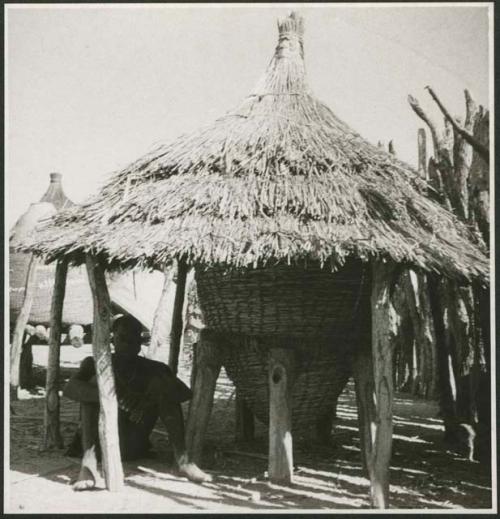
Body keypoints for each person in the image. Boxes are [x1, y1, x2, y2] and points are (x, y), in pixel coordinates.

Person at [64, 314, 211, 491]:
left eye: (133, 339)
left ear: (140, 343)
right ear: (113, 340)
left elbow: (183, 393)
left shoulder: (153, 368)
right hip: (100, 447)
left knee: (162, 383)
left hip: (133, 442)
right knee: (96, 383)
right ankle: (89, 466)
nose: (127, 344)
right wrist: (115, 396)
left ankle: (182, 460)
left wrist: (146, 402)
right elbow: (70, 389)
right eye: (122, 338)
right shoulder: (94, 363)